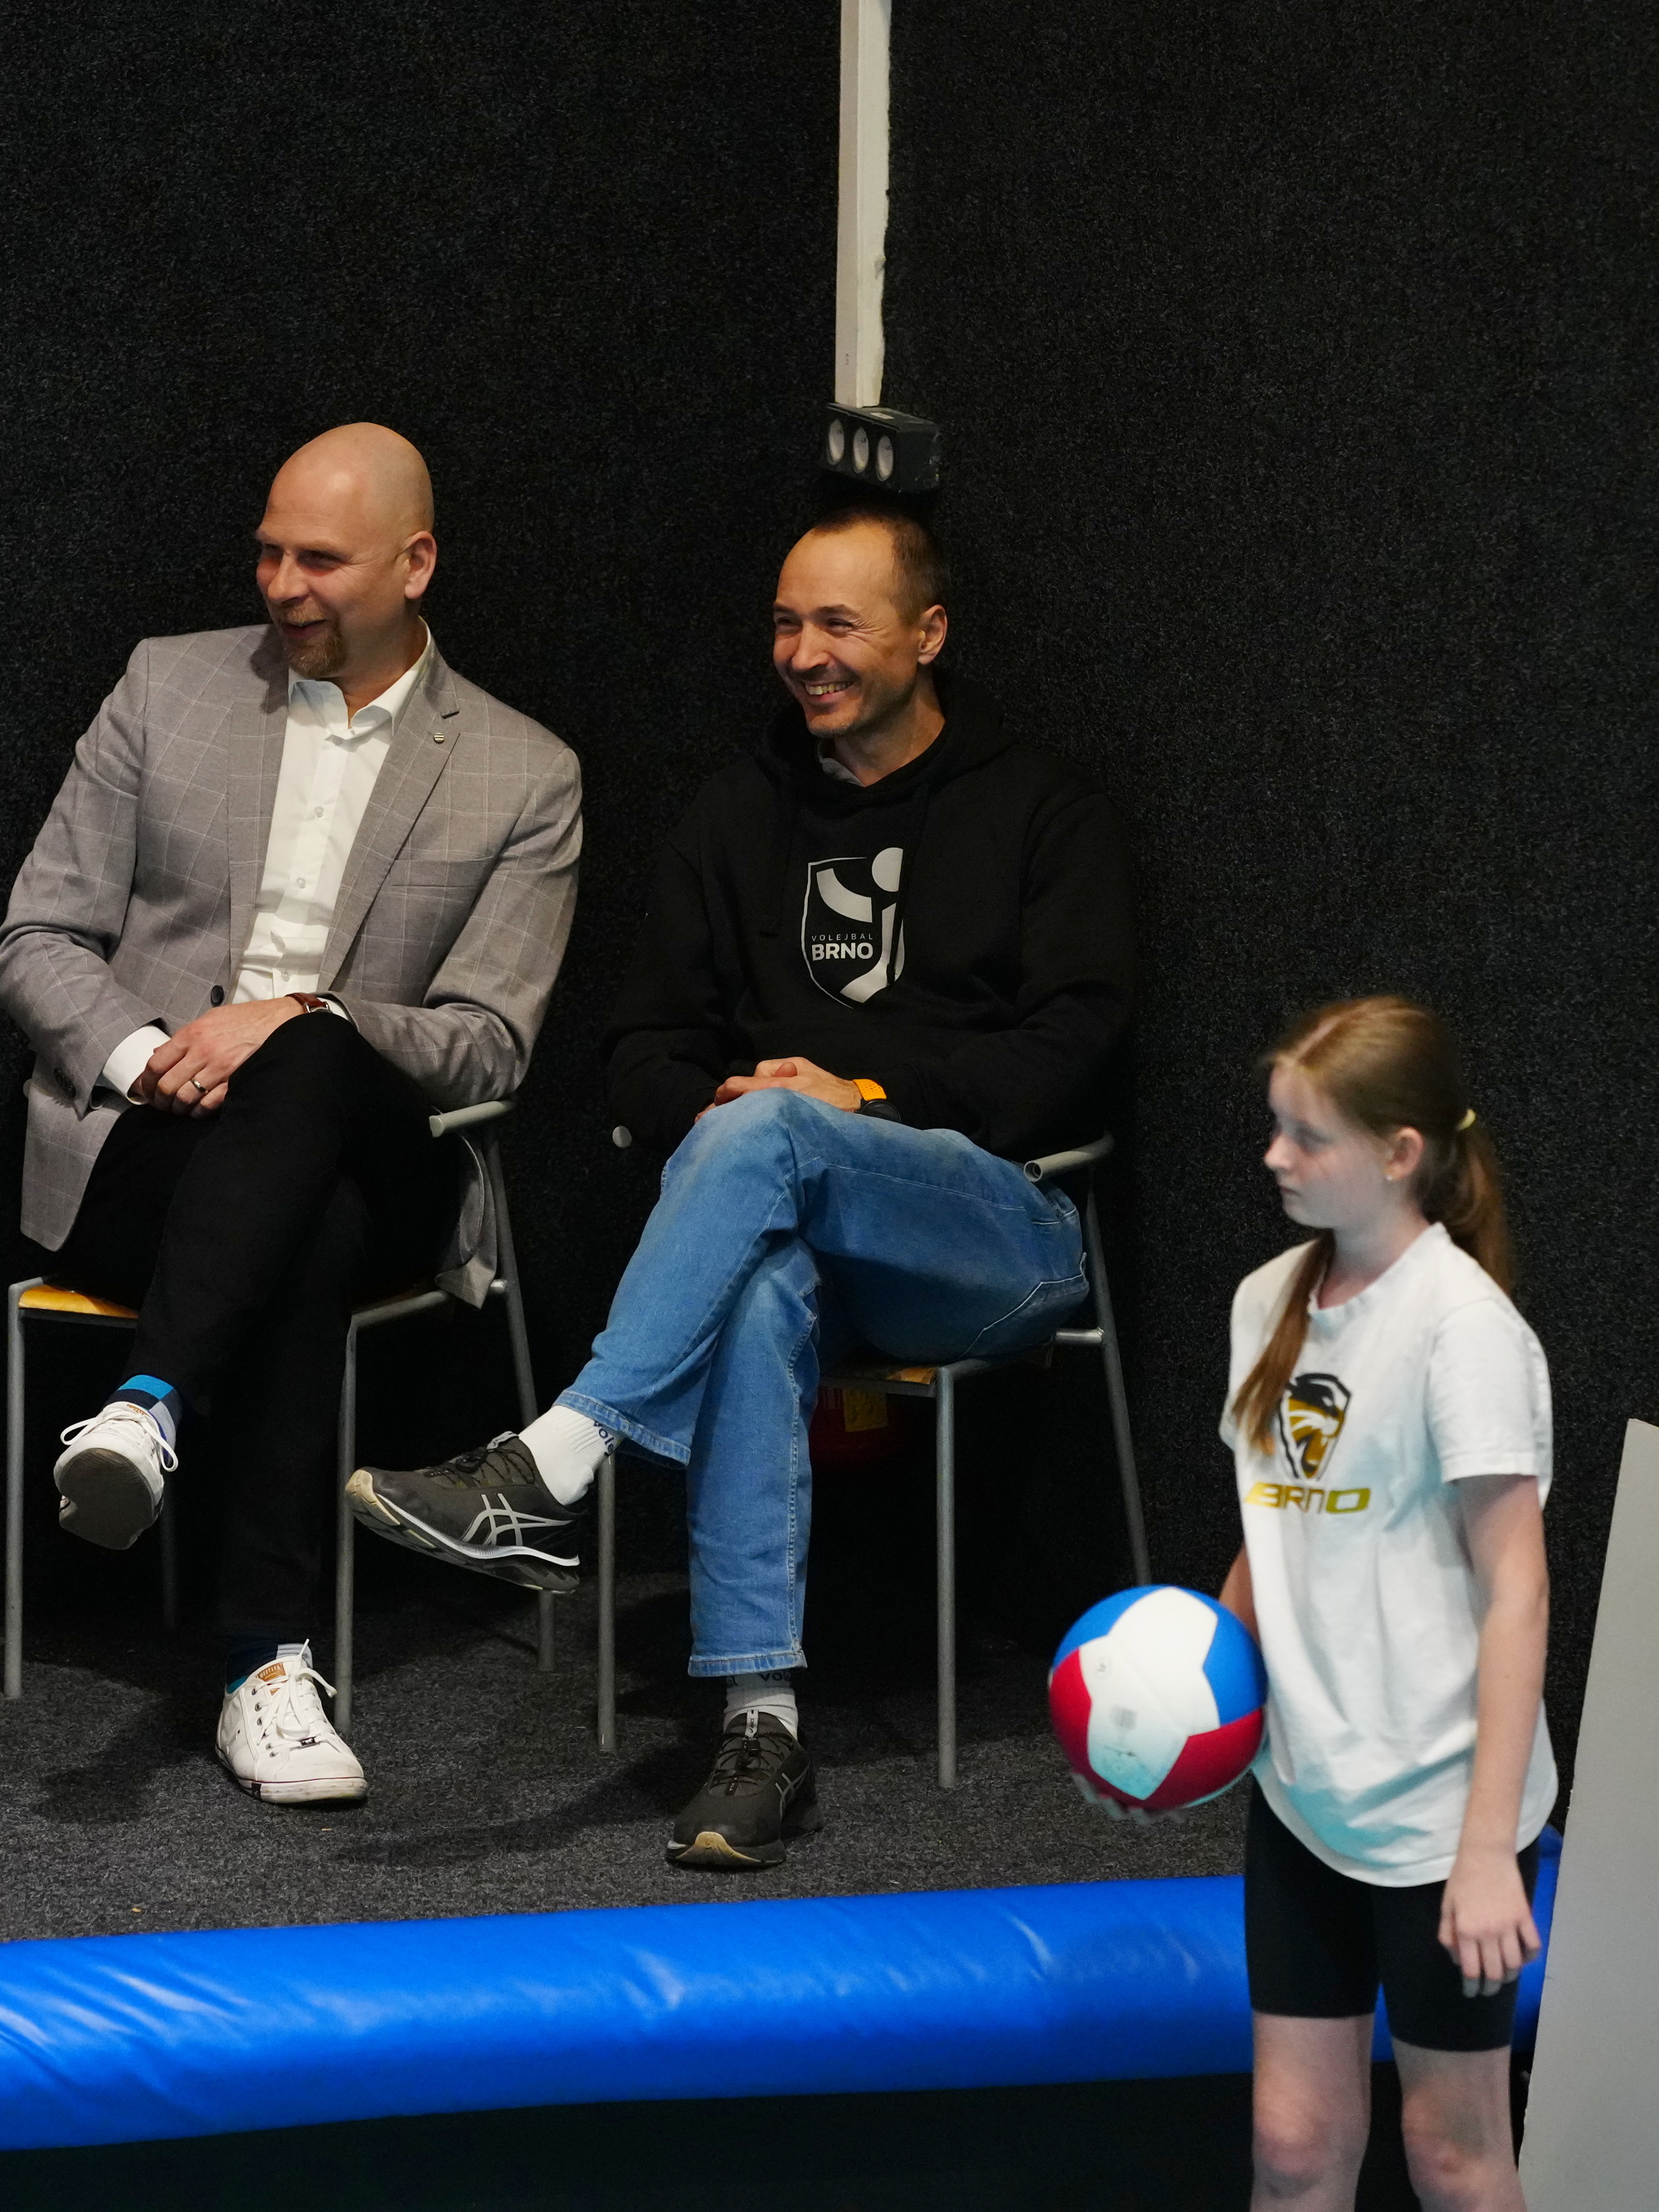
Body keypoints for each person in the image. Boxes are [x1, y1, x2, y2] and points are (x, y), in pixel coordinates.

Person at [349, 504, 1134, 1865]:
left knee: (778, 1130)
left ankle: (556, 1458)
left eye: (839, 623)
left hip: (997, 1234)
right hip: (807, 1242)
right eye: (785, 622)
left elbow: (1074, 1049)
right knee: (761, 1281)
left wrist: (858, 1101)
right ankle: (762, 1734)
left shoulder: (1042, 809)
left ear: (928, 634)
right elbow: (641, 1050)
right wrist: (720, 1108)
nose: (803, 652)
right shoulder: (737, 812)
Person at [0, 423, 581, 1806]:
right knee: (298, 1231)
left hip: (388, 1150)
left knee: (312, 1052)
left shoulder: (524, 771)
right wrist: (154, 1056)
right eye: (267, 552)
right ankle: (265, 1665)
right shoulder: (167, 686)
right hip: (154, 1144)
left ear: (416, 564)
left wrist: (304, 1019)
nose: (281, 585)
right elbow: (36, 934)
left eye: (320, 559)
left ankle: (150, 1404)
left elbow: (489, 1043)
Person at [1209, 998, 1548, 2212]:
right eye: (1274, 1127)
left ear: (1400, 1154)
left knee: (1454, 2156)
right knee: (1292, 2146)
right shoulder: (1265, 1303)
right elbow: (1272, 1536)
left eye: (1307, 1136)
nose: (1275, 1156)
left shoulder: (1464, 1331)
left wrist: (1485, 1852)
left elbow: (1518, 1594)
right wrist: (1177, 1725)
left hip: (1440, 1818)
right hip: (1307, 1799)